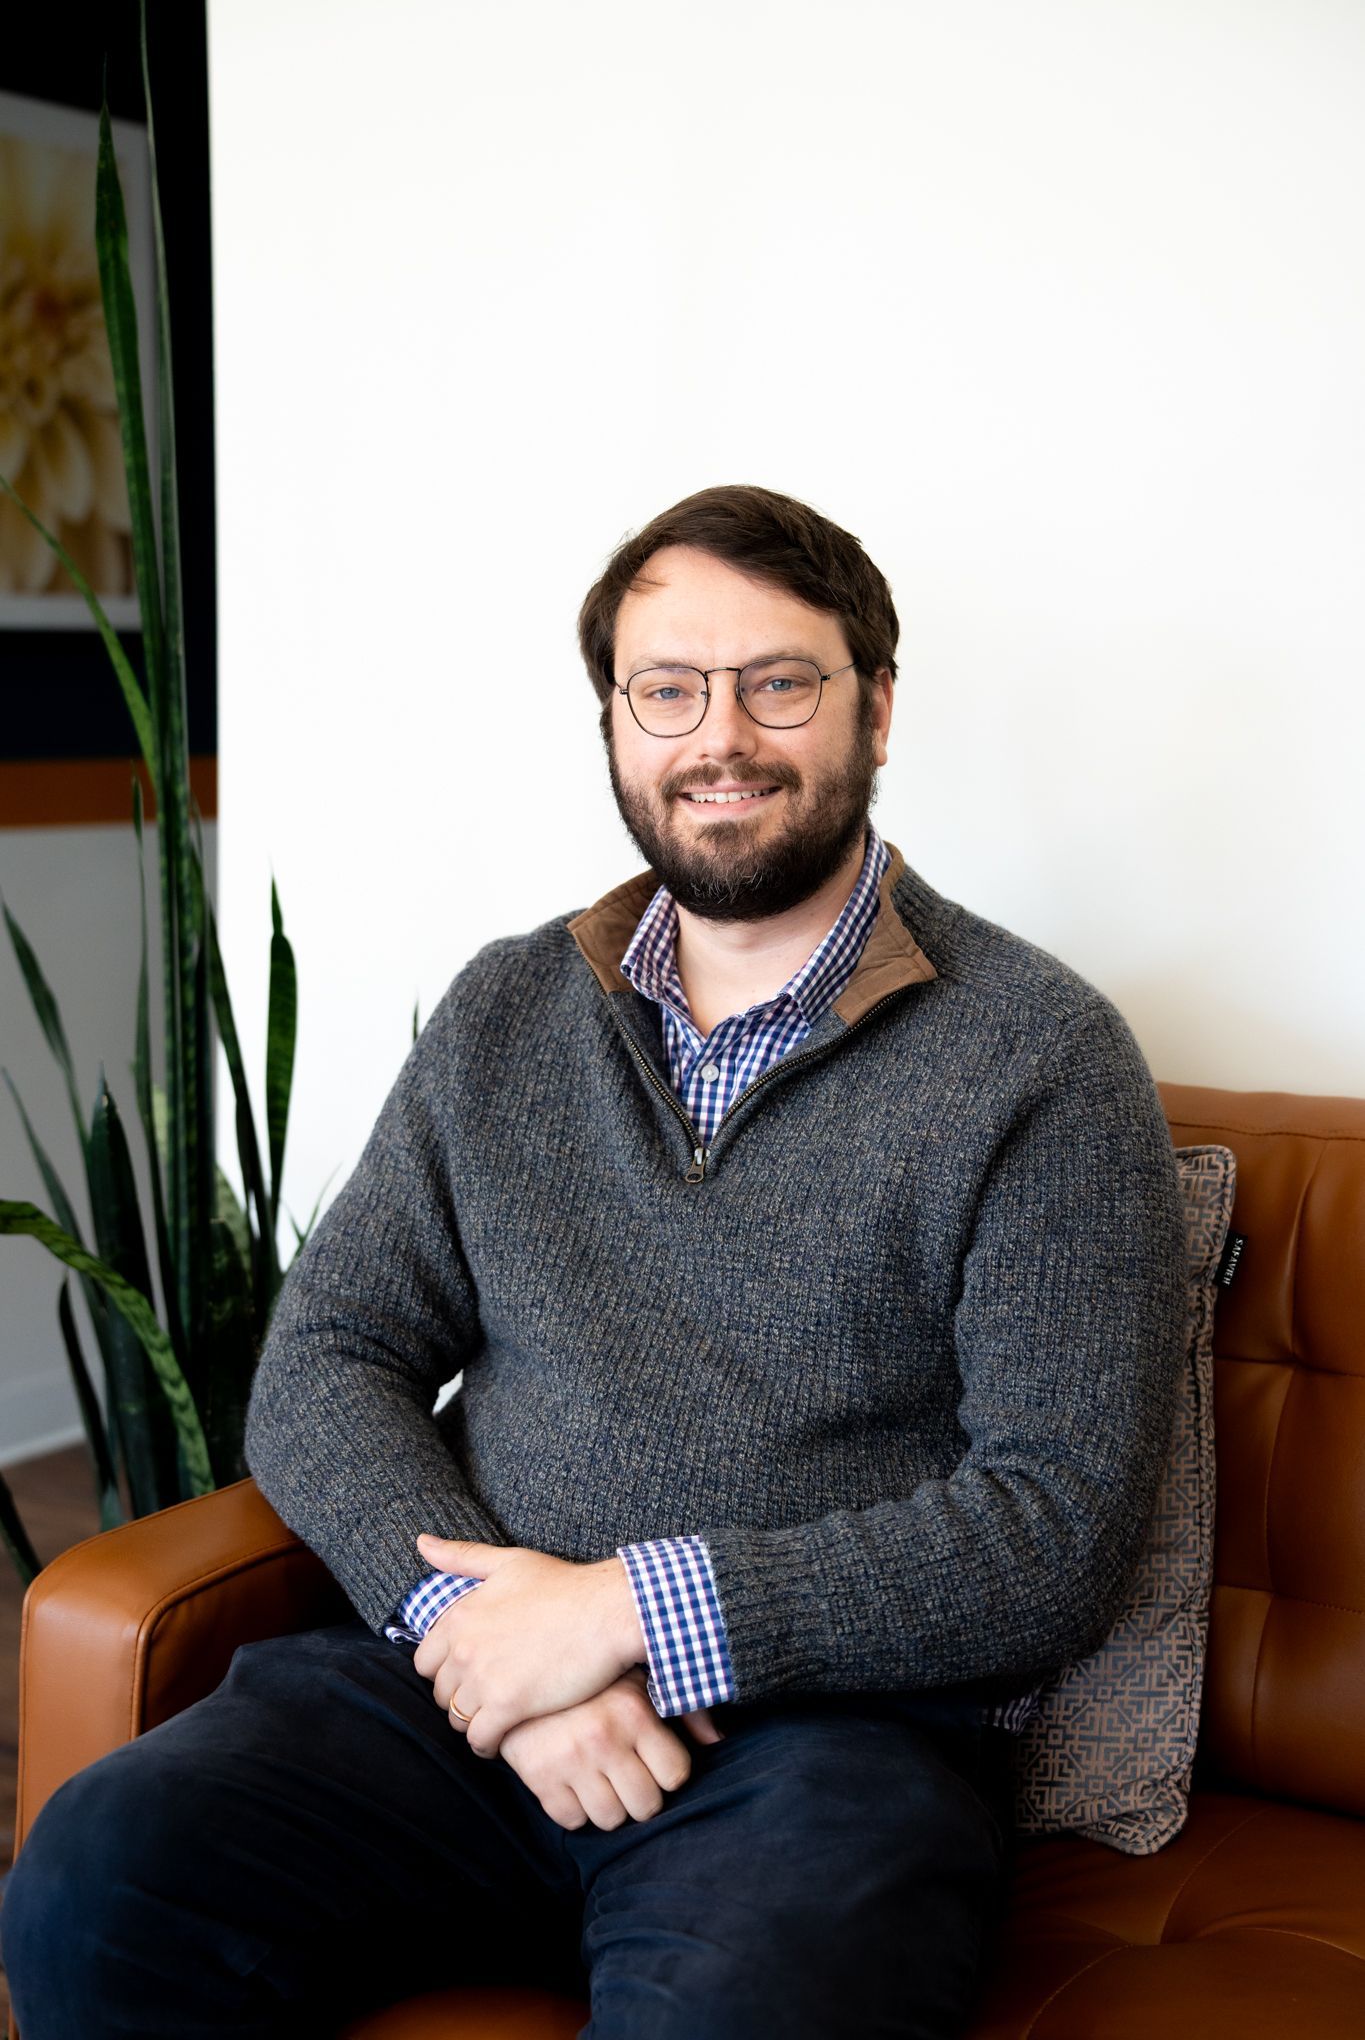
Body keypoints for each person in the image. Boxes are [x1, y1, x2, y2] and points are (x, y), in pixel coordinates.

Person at [1, 484, 1189, 2039]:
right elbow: (324, 1357)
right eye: (668, 690)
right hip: (463, 1699)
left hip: (823, 1750)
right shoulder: (507, 1013)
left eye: (778, 682)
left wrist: (621, 1614)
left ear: (876, 709)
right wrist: (497, 1647)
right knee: (97, 1873)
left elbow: (1049, 1526)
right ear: (618, 724)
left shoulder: (1038, 1057)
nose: (721, 737)